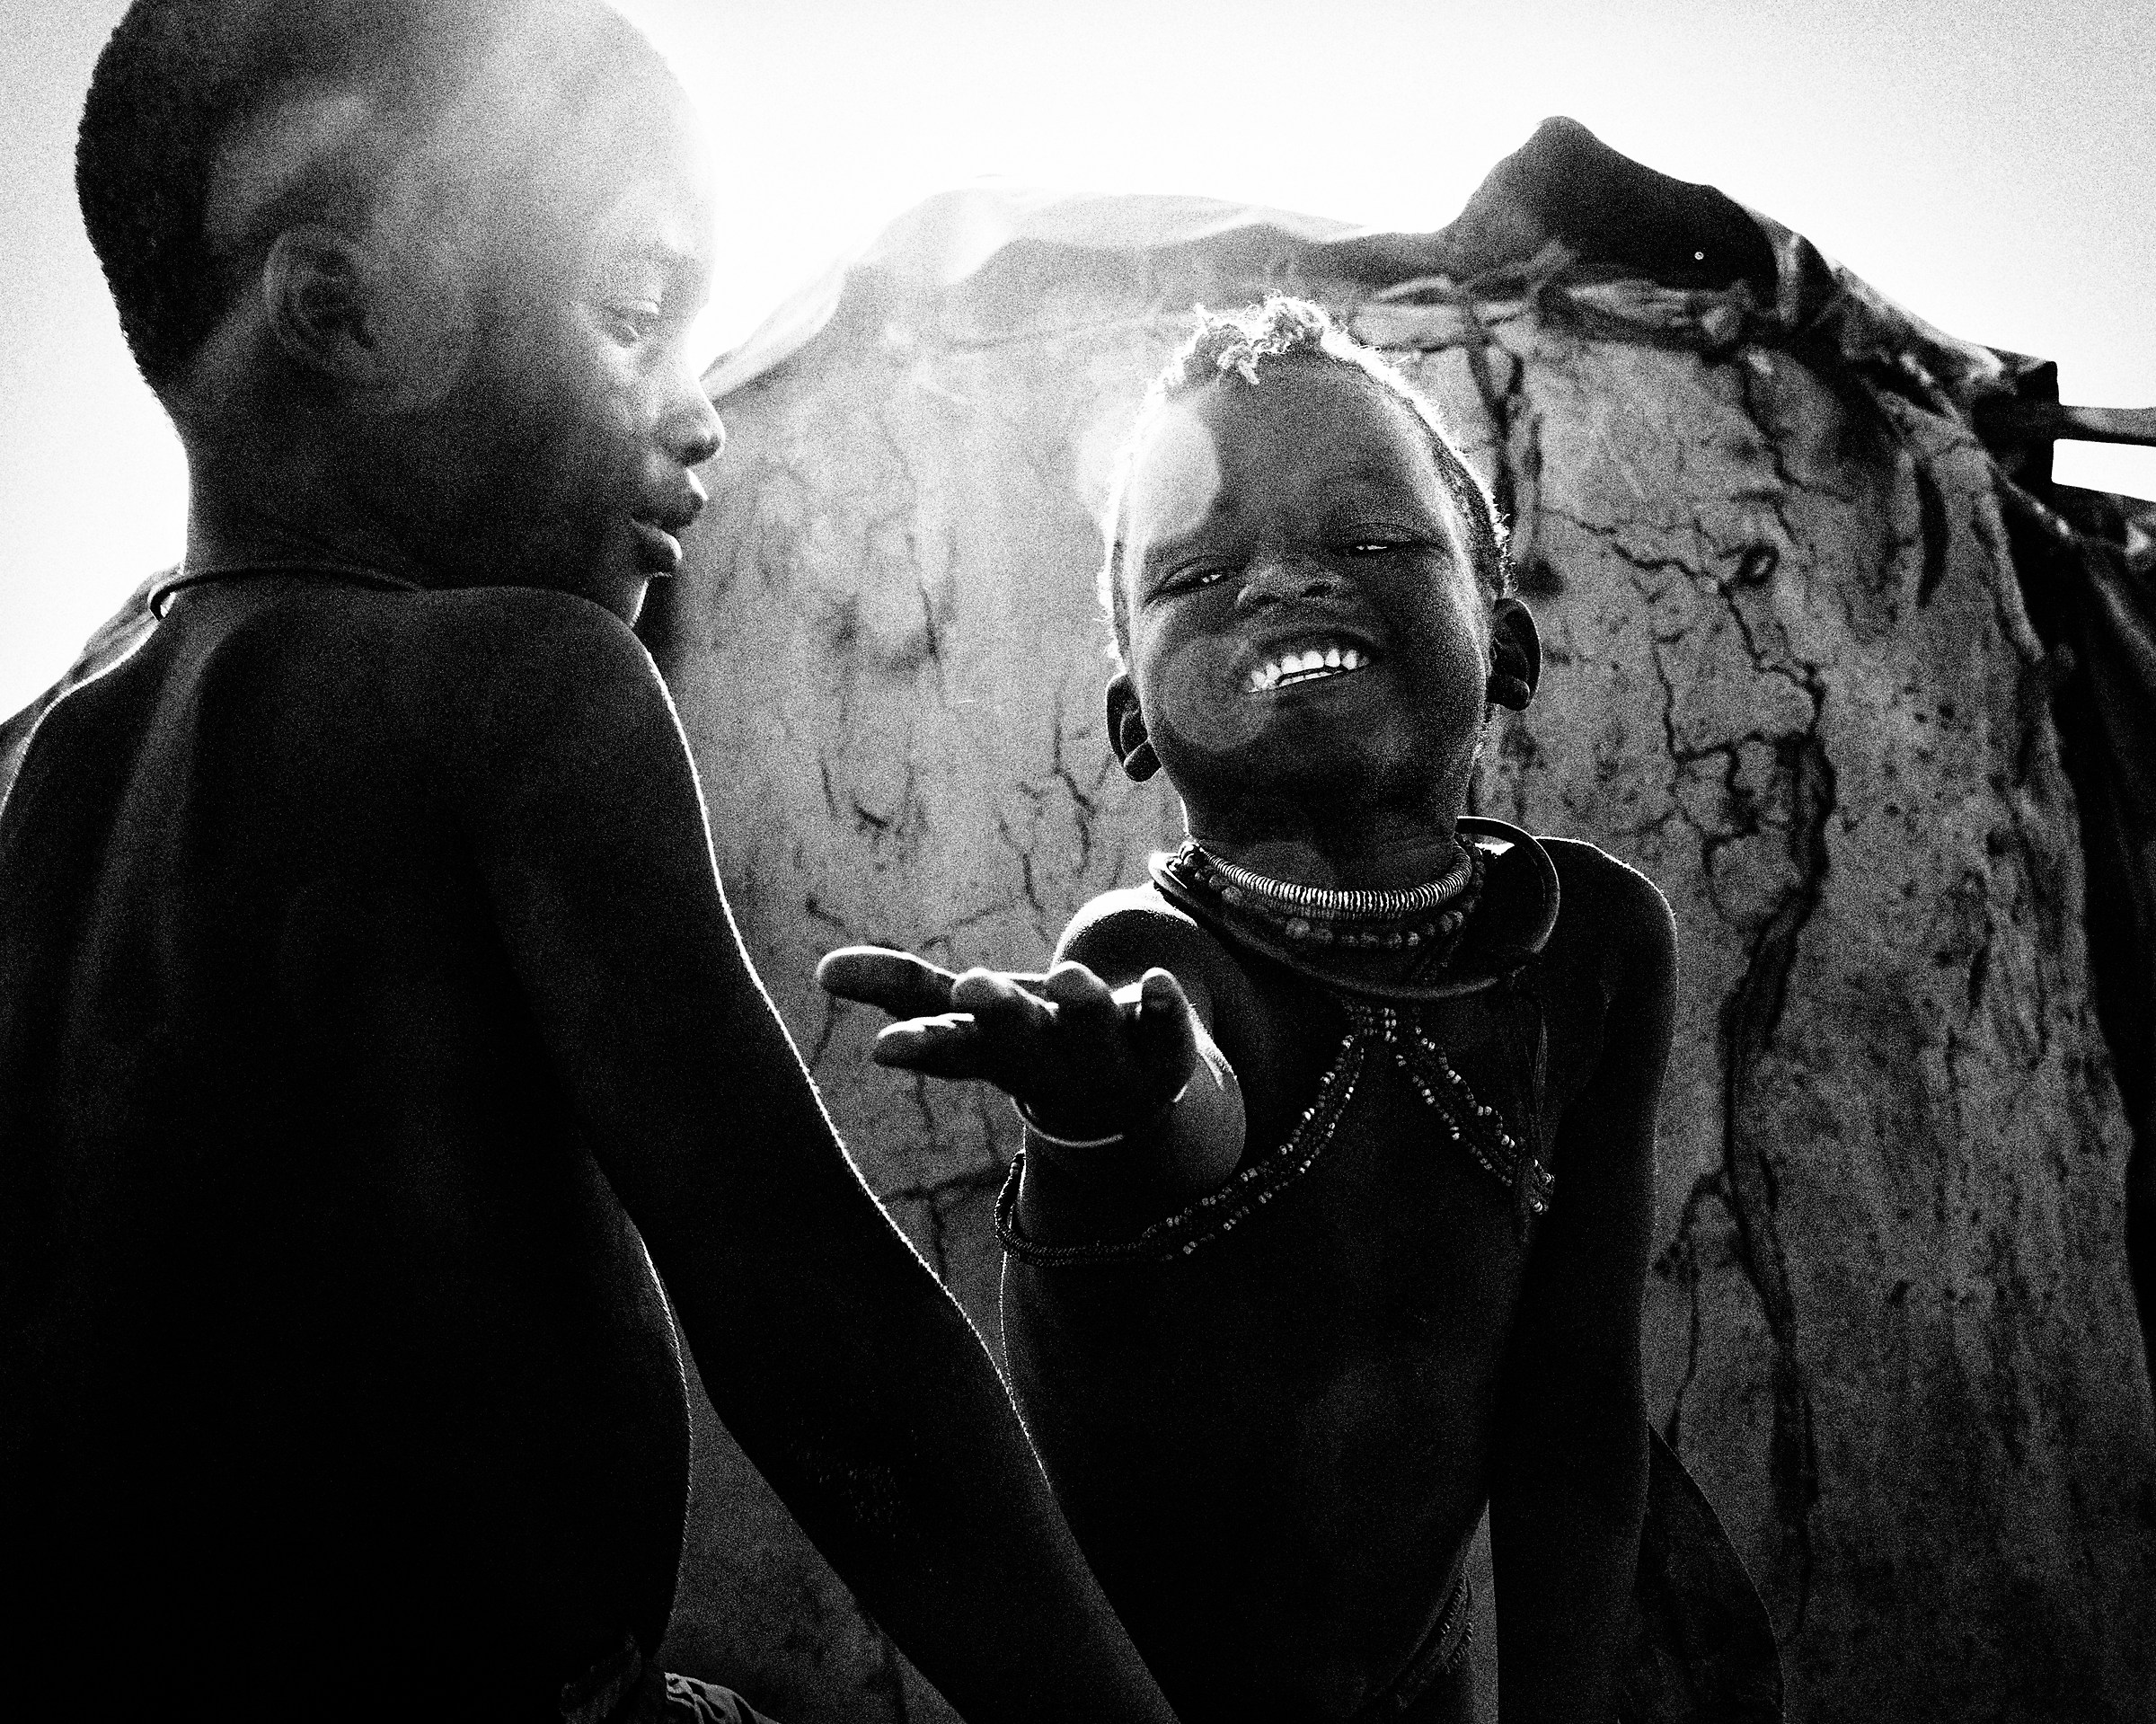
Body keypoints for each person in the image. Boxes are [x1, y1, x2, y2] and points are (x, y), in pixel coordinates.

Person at [0, 5, 1187, 1720]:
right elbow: (812, 1319)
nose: (697, 414)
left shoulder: (50, 786)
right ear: (346, 313)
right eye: (635, 314)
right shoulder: (512, 688)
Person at [821, 297, 1683, 1723]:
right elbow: (1194, 1099)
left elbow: (1577, 1414)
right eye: (1200, 569)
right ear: (1132, 722)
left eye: (1368, 542)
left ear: (1507, 642)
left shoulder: (1591, 948)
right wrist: (1116, 1098)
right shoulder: (1151, 955)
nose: (1281, 581)